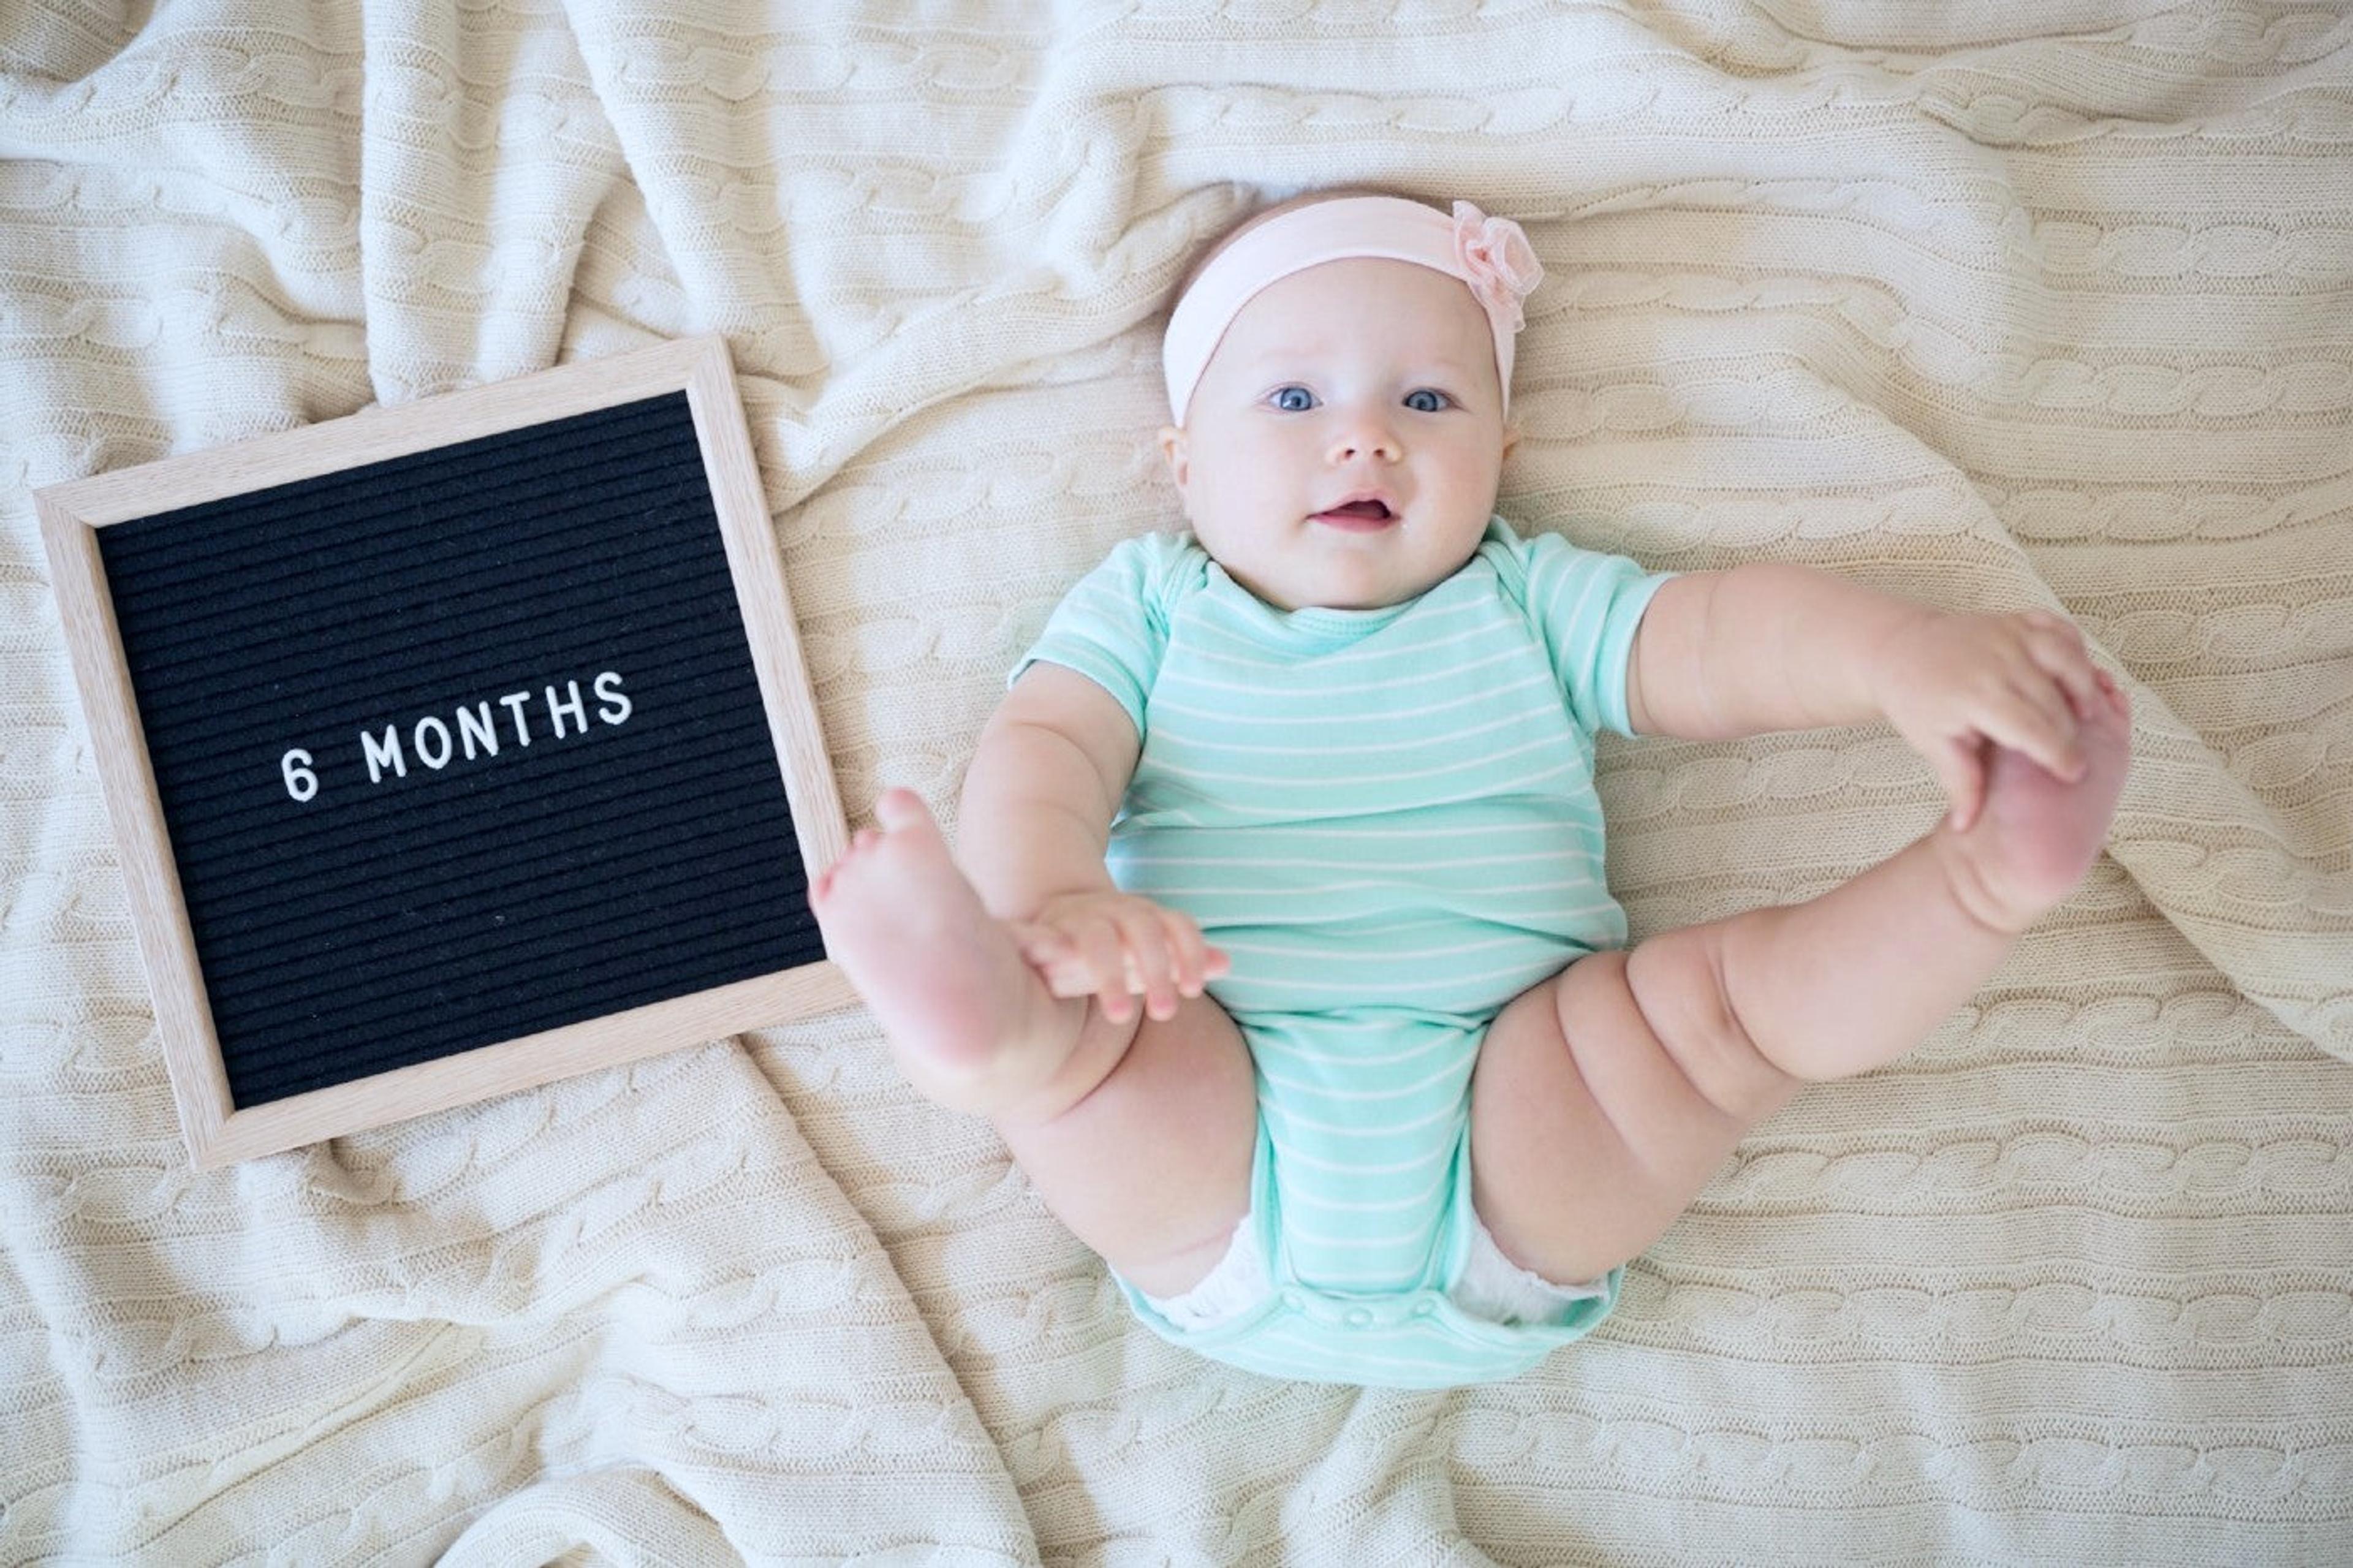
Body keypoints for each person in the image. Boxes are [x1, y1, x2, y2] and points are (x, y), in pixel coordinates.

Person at [808, 189, 2132, 1389]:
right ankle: (987, 1024)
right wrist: (1055, 894)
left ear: (1506, 446)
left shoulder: (1529, 597)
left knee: (1716, 1015)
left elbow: (1721, 639)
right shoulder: (1151, 607)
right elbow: (1047, 746)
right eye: (1292, 403)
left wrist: (1898, 655)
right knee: (1082, 1040)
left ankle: (1984, 871)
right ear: (1183, 460)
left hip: (1527, 1110)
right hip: (1214, 1095)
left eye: (1429, 403)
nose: (1365, 440)